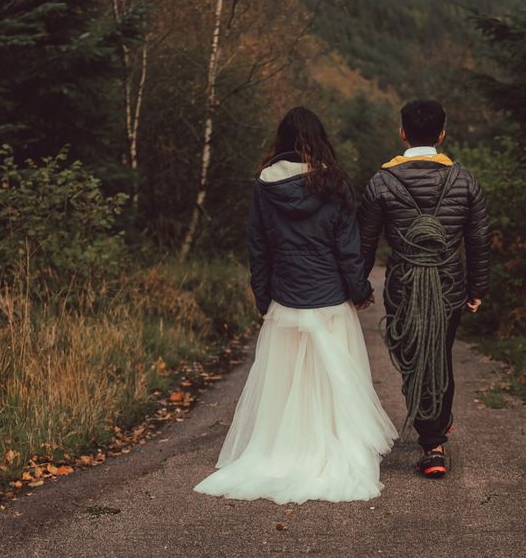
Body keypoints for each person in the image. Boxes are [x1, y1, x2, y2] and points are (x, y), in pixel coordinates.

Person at [193, 106, 397, 504]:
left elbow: (259, 247)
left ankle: (283, 450)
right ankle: (329, 448)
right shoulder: (334, 184)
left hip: (286, 300)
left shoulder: (264, 186)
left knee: (285, 386)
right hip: (329, 300)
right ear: (319, 139)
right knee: (333, 385)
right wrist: (360, 291)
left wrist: (262, 297)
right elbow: (347, 248)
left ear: (281, 141)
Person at [358, 99, 490, 479]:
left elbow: (364, 243)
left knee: (415, 358)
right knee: (439, 356)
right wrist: (477, 286)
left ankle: (432, 437)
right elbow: (479, 238)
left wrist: (359, 286)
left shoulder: (382, 181)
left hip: (403, 286)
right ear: (442, 134)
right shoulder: (464, 180)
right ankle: (434, 437)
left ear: (402, 133)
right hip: (449, 286)